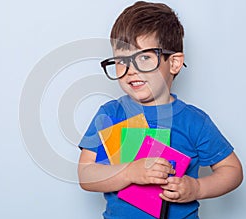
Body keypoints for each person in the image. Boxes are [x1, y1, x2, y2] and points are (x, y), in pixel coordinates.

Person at [77, 1, 243, 218]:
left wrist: (198, 188)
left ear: (174, 63)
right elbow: (86, 175)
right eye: (121, 60)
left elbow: (232, 171)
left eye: (144, 57)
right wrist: (130, 172)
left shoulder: (194, 121)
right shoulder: (109, 114)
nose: (130, 70)